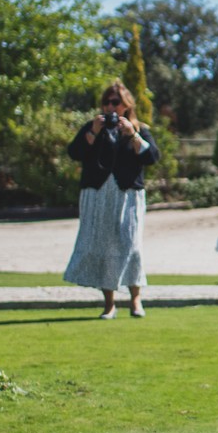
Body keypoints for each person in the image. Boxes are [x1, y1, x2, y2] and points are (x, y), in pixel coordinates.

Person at [64, 81, 162, 318]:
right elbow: (75, 153)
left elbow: (152, 157)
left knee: (131, 246)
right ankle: (109, 304)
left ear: (126, 105)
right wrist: (93, 132)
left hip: (127, 195)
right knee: (103, 246)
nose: (110, 107)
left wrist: (133, 134)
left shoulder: (139, 128)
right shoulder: (92, 127)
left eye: (115, 102)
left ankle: (136, 300)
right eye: (106, 102)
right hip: (98, 194)